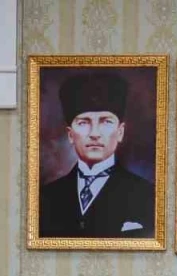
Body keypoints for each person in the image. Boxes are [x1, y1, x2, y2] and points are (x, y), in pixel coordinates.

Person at [38, 71, 155, 239]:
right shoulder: (45, 198)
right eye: (83, 122)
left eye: (106, 122)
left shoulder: (146, 195)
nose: (94, 134)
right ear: (70, 134)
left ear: (120, 132)